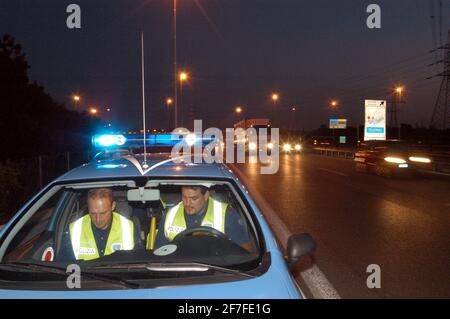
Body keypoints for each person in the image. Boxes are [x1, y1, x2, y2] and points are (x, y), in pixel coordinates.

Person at [153, 186, 253, 251]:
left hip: (216, 273)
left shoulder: (226, 214)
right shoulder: (170, 214)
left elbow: (245, 251)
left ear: (206, 196)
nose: (187, 203)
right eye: (184, 197)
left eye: (194, 199)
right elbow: (160, 252)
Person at [58, 188, 139, 261]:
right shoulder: (74, 230)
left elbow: (137, 262)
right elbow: (64, 267)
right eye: (93, 213)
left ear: (113, 206)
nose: (98, 219)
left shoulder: (129, 228)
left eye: (103, 213)